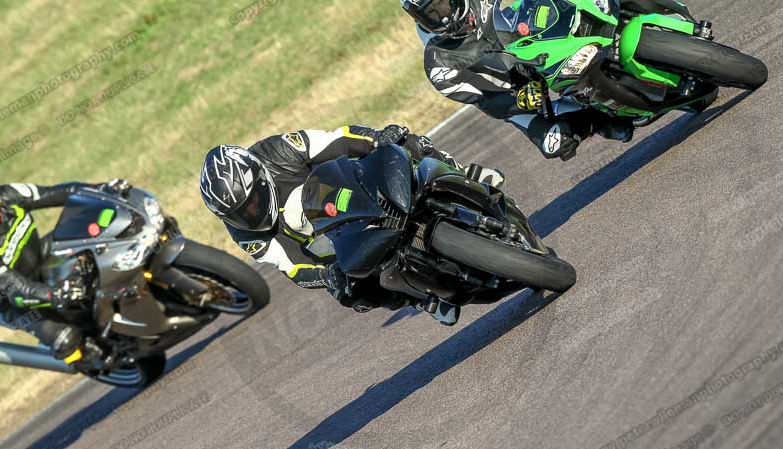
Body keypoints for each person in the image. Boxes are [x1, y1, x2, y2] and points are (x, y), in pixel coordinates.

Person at [199, 124, 503, 325]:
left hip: (354, 187)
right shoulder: (244, 233)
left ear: (258, 175)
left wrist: (376, 139)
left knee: (405, 144)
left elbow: (337, 139)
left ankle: (464, 175)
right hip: (337, 239)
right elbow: (292, 266)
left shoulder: (278, 150)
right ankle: (422, 297)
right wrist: (326, 275)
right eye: (238, 214)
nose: (249, 214)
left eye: (250, 203)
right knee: (349, 293)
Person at [401, 0, 641, 161]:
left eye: (440, 4)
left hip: (541, 33)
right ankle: (598, 118)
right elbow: (486, 100)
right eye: (428, 15)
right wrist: (520, 101)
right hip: (519, 87)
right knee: (556, 143)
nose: (440, 17)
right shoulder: (439, 62)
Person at [0, 171, 126, 369]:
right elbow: (16, 288)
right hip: (11, 301)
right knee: (66, 339)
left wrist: (100, 189)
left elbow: (58, 192)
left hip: (38, 257)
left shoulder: (9, 195)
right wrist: (55, 294)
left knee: (87, 233)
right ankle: (91, 359)